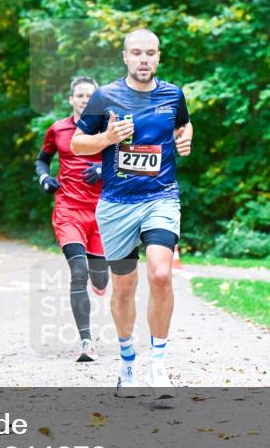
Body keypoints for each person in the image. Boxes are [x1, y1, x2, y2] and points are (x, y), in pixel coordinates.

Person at [71, 29, 192, 397]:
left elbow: (183, 124)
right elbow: (78, 144)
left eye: (150, 53)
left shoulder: (173, 94)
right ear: (125, 57)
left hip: (161, 197)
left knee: (159, 273)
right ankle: (127, 364)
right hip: (117, 205)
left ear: (158, 57)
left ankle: (158, 364)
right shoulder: (105, 96)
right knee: (123, 288)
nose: (144, 59)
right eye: (137, 53)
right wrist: (106, 139)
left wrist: (187, 138)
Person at [36, 76, 110, 363]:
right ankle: (86, 342)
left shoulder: (109, 129)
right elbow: (42, 159)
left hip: (103, 211)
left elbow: (126, 160)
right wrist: (44, 177)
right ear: (71, 100)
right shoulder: (58, 129)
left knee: (100, 277)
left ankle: (101, 280)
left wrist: (104, 172)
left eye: (89, 95)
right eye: (79, 95)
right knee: (79, 271)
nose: (84, 99)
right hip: (68, 209)